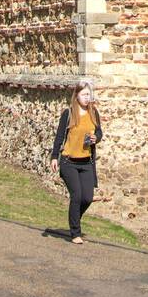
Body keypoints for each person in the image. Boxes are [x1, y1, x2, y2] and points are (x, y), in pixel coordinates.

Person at [50, 80, 103, 244]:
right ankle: (75, 233)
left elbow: (99, 132)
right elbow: (60, 136)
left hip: (86, 163)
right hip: (69, 162)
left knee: (87, 197)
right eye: (84, 94)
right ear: (77, 95)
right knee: (77, 196)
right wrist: (54, 157)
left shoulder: (93, 112)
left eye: (89, 94)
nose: (87, 98)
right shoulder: (69, 114)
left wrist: (96, 138)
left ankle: (74, 220)